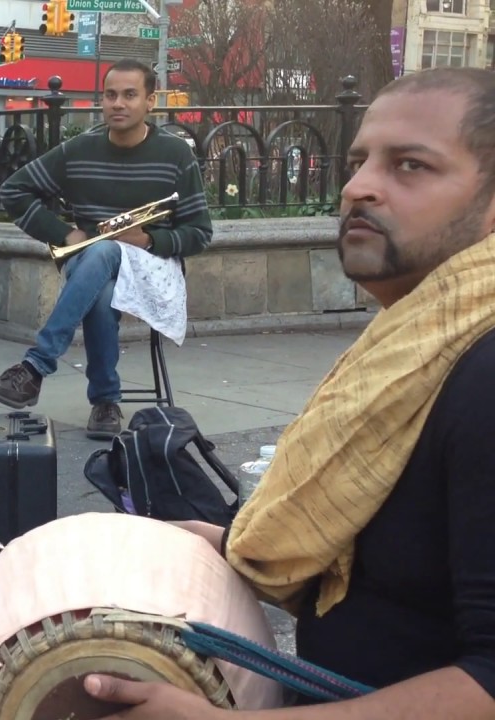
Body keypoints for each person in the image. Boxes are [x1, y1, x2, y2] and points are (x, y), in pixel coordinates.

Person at [69, 67, 495, 719]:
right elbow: (398, 582)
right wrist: (216, 545)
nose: (358, 187)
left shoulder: (484, 371)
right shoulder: (414, 343)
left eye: (410, 165)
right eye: (357, 162)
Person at [0, 58, 213, 439]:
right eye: (110, 95)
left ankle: (38, 368)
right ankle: (104, 402)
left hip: (152, 266)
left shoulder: (176, 154)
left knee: (106, 255)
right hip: (89, 260)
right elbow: (13, 190)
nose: (117, 103)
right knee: (103, 269)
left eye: (130, 95)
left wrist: (148, 239)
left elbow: (200, 233)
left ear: (150, 101)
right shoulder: (79, 150)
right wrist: (63, 233)